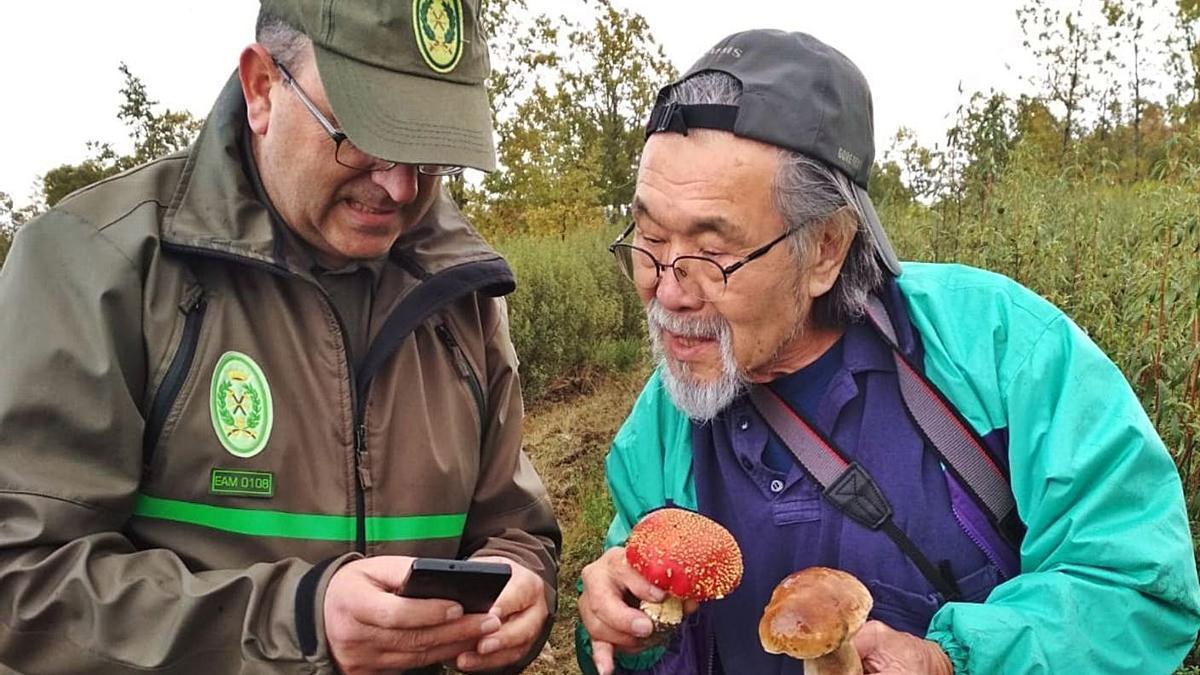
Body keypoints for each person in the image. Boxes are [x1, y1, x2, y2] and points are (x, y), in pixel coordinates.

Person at [576, 29, 1200, 675]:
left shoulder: (1001, 350)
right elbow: (641, 625)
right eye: (647, 235)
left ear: (824, 249)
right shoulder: (665, 418)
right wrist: (631, 631)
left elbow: (1136, 584)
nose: (667, 289)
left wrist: (953, 659)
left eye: (713, 252)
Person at [0, 1, 560, 673]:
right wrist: (298, 619)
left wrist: (521, 584)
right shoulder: (98, 266)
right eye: (362, 135)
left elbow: (514, 526)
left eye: (432, 151)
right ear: (262, 87)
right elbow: (23, 585)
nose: (400, 185)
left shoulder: (463, 292)